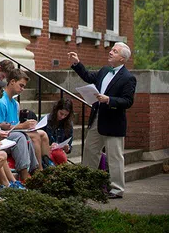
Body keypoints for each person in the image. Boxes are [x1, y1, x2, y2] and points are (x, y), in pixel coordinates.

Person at [68, 43, 136, 199]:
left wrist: (109, 100)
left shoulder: (128, 78)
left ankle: (117, 189)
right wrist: (77, 64)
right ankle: (86, 184)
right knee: (90, 152)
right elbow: (89, 77)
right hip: (97, 119)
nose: (110, 52)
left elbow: (128, 101)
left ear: (123, 58)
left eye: (115, 51)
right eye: (111, 49)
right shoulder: (105, 70)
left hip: (114, 123)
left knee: (115, 157)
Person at [0, 69, 40, 179]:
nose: (22, 89)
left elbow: (14, 125)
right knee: (20, 136)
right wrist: (23, 126)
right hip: (0, 137)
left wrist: (27, 127)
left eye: (24, 87)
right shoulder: (1, 101)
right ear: (12, 82)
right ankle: (24, 173)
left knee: (30, 135)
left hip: (12, 135)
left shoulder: (15, 103)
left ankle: (35, 170)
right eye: (21, 85)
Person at [42, 98, 74, 165]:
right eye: (61, 113)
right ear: (56, 109)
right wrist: (49, 146)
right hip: (46, 152)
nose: (62, 117)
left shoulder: (68, 124)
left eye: (65, 115)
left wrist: (67, 148)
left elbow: (69, 145)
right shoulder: (46, 120)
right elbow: (38, 140)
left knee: (59, 155)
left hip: (59, 152)